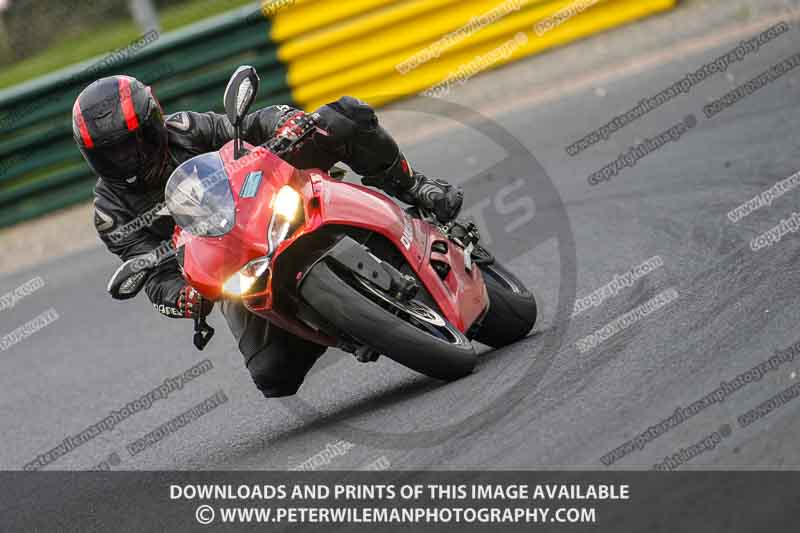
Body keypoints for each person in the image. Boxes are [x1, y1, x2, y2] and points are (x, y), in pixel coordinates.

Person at [74, 75, 463, 398]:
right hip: (229, 259)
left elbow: (244, 128)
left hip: (268, 196)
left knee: (341, 117)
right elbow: (154, 278)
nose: (128, 159)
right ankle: (340, 323)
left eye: (133, 143)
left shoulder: (186, 129)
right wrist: (184, 296)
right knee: (272, 374)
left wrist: (285, 123)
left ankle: (413, 187)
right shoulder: (111, 213)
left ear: (154, 123)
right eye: (111, 154)